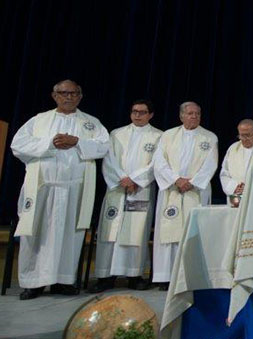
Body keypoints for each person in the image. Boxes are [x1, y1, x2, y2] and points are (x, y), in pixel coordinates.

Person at [11, 79, 109, 300]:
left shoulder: (91, 123)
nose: (69, 97)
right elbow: (18, 145)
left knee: (69, 234)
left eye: (73, 93)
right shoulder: (39, 120)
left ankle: (63, 280)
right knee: (36, 233)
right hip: (42, 187)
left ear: (80, 96)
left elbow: (104, 147)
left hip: (74, 188)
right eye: (64, 93)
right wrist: (50, 143)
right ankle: (33, 282)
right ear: (54, 96)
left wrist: (77, 142)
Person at [89, 99, 162, 292]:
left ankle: (134, 275)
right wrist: (122, 178)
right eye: (134, 111)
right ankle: (105, 276)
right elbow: (109, 159)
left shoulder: (159, 136)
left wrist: (135, 180)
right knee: (109, 231)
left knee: (136, 231)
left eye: (142, 112)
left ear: (151, 115)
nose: (137, 115)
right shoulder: (117, 134)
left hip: (140, 190)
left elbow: (156, 163)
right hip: (117, 188)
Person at [151, 102, 218, 290]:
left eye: (197, 113)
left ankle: (189, 275)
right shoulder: (168, 135)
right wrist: (176, 180)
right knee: (168, 230)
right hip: (172, 189)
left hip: (195, 191)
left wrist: (192, 182)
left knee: (193, 231)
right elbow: (159, 161)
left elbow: (211, 164)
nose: (194, 116)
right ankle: (166, 276)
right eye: (190, 113)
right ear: (181, 116)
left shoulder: (209, 137)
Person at [219, 119, 253, 200]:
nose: (244, 139)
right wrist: (235, 188)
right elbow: (224, 173)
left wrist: (248, 188)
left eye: (248, 135)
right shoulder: (233, 148)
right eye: (241, 135)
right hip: (236, 196)